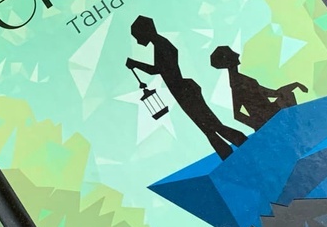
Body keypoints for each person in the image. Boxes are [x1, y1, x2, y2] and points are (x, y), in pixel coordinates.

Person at [125, 16, 246, 159]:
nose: (138, 41)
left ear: (145, 32)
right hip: (183, 91)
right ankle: (230, 152)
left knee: (211, 125)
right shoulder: (159, 44)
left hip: (184, 92)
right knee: (208, 127)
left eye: (137, 37)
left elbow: (158, 69)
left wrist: (136, 64)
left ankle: (239, 144)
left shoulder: (161, 44)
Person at [209, 45, 307, 133]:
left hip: (269, 111)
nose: (237, 54)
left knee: (288, 94)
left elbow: (271, 93)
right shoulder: (237, 83)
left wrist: (294, 85)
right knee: (287, 95)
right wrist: (259, 125)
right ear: (228, 60)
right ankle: (294, 127)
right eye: (232, 53)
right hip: (266, 116)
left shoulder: (241, 79)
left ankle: (295, 125)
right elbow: (237, 114)